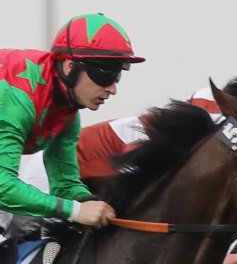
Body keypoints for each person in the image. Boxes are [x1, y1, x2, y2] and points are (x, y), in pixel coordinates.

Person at [0, 15, 145, 231]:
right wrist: (76, 211)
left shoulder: (68, 113)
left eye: (118, 76)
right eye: (105, 73)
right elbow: (3, 187)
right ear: (70, 66)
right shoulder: (18, 99)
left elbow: (64, 184)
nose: (113, 88)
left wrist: (92, 203)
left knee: (34, 227)